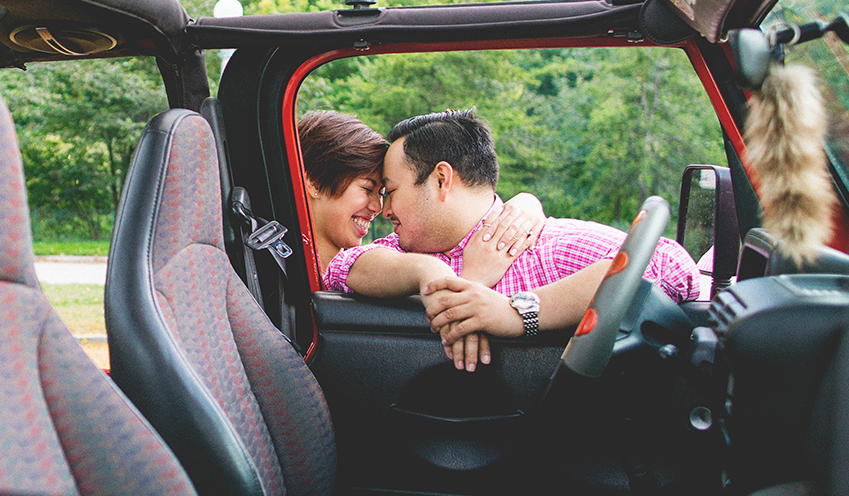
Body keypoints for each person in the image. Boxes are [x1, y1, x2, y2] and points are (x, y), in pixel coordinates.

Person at [327, 109, 699, 372]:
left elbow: (665, 264)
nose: (384, 208)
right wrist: (440, 274)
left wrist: (518, 313)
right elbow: (345, 268)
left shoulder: (548, 247)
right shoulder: (405, 252)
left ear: (442, 180)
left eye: (390, 191)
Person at [297, 110, 549, 284]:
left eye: (384, 193)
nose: (378, 208)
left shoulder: (397, 260)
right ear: (315, 183)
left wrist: (524, 206)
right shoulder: (279, 278)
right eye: (366, 189)